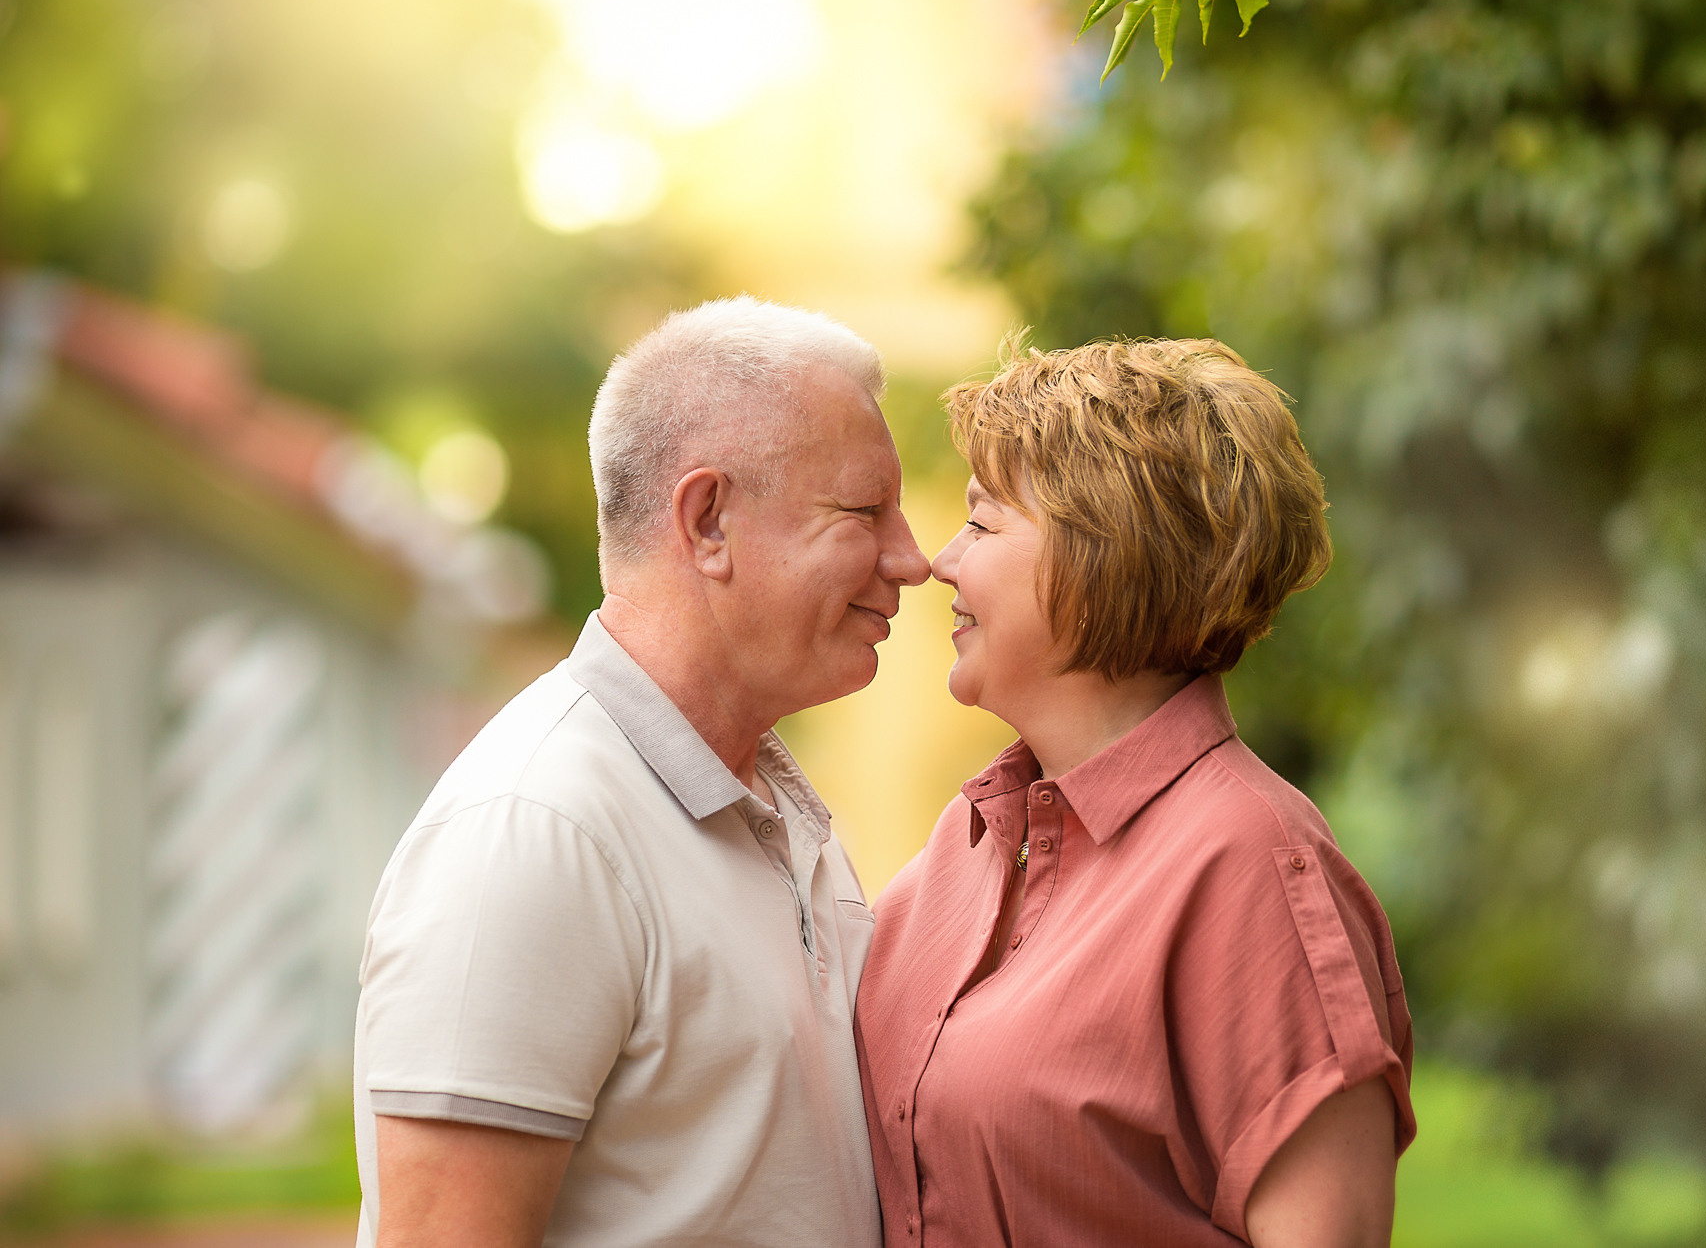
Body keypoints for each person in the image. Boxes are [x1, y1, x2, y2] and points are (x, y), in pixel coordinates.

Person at [352, 297, 931, 1248]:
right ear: (709, 521)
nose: (913, 559)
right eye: (865, 510)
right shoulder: (538, 828)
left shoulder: (774, 812)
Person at [856, 337, 1416, 1248]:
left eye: (983, 524)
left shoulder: (1251, 869)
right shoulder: (966, 842)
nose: (939, 562)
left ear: (1103, 556)